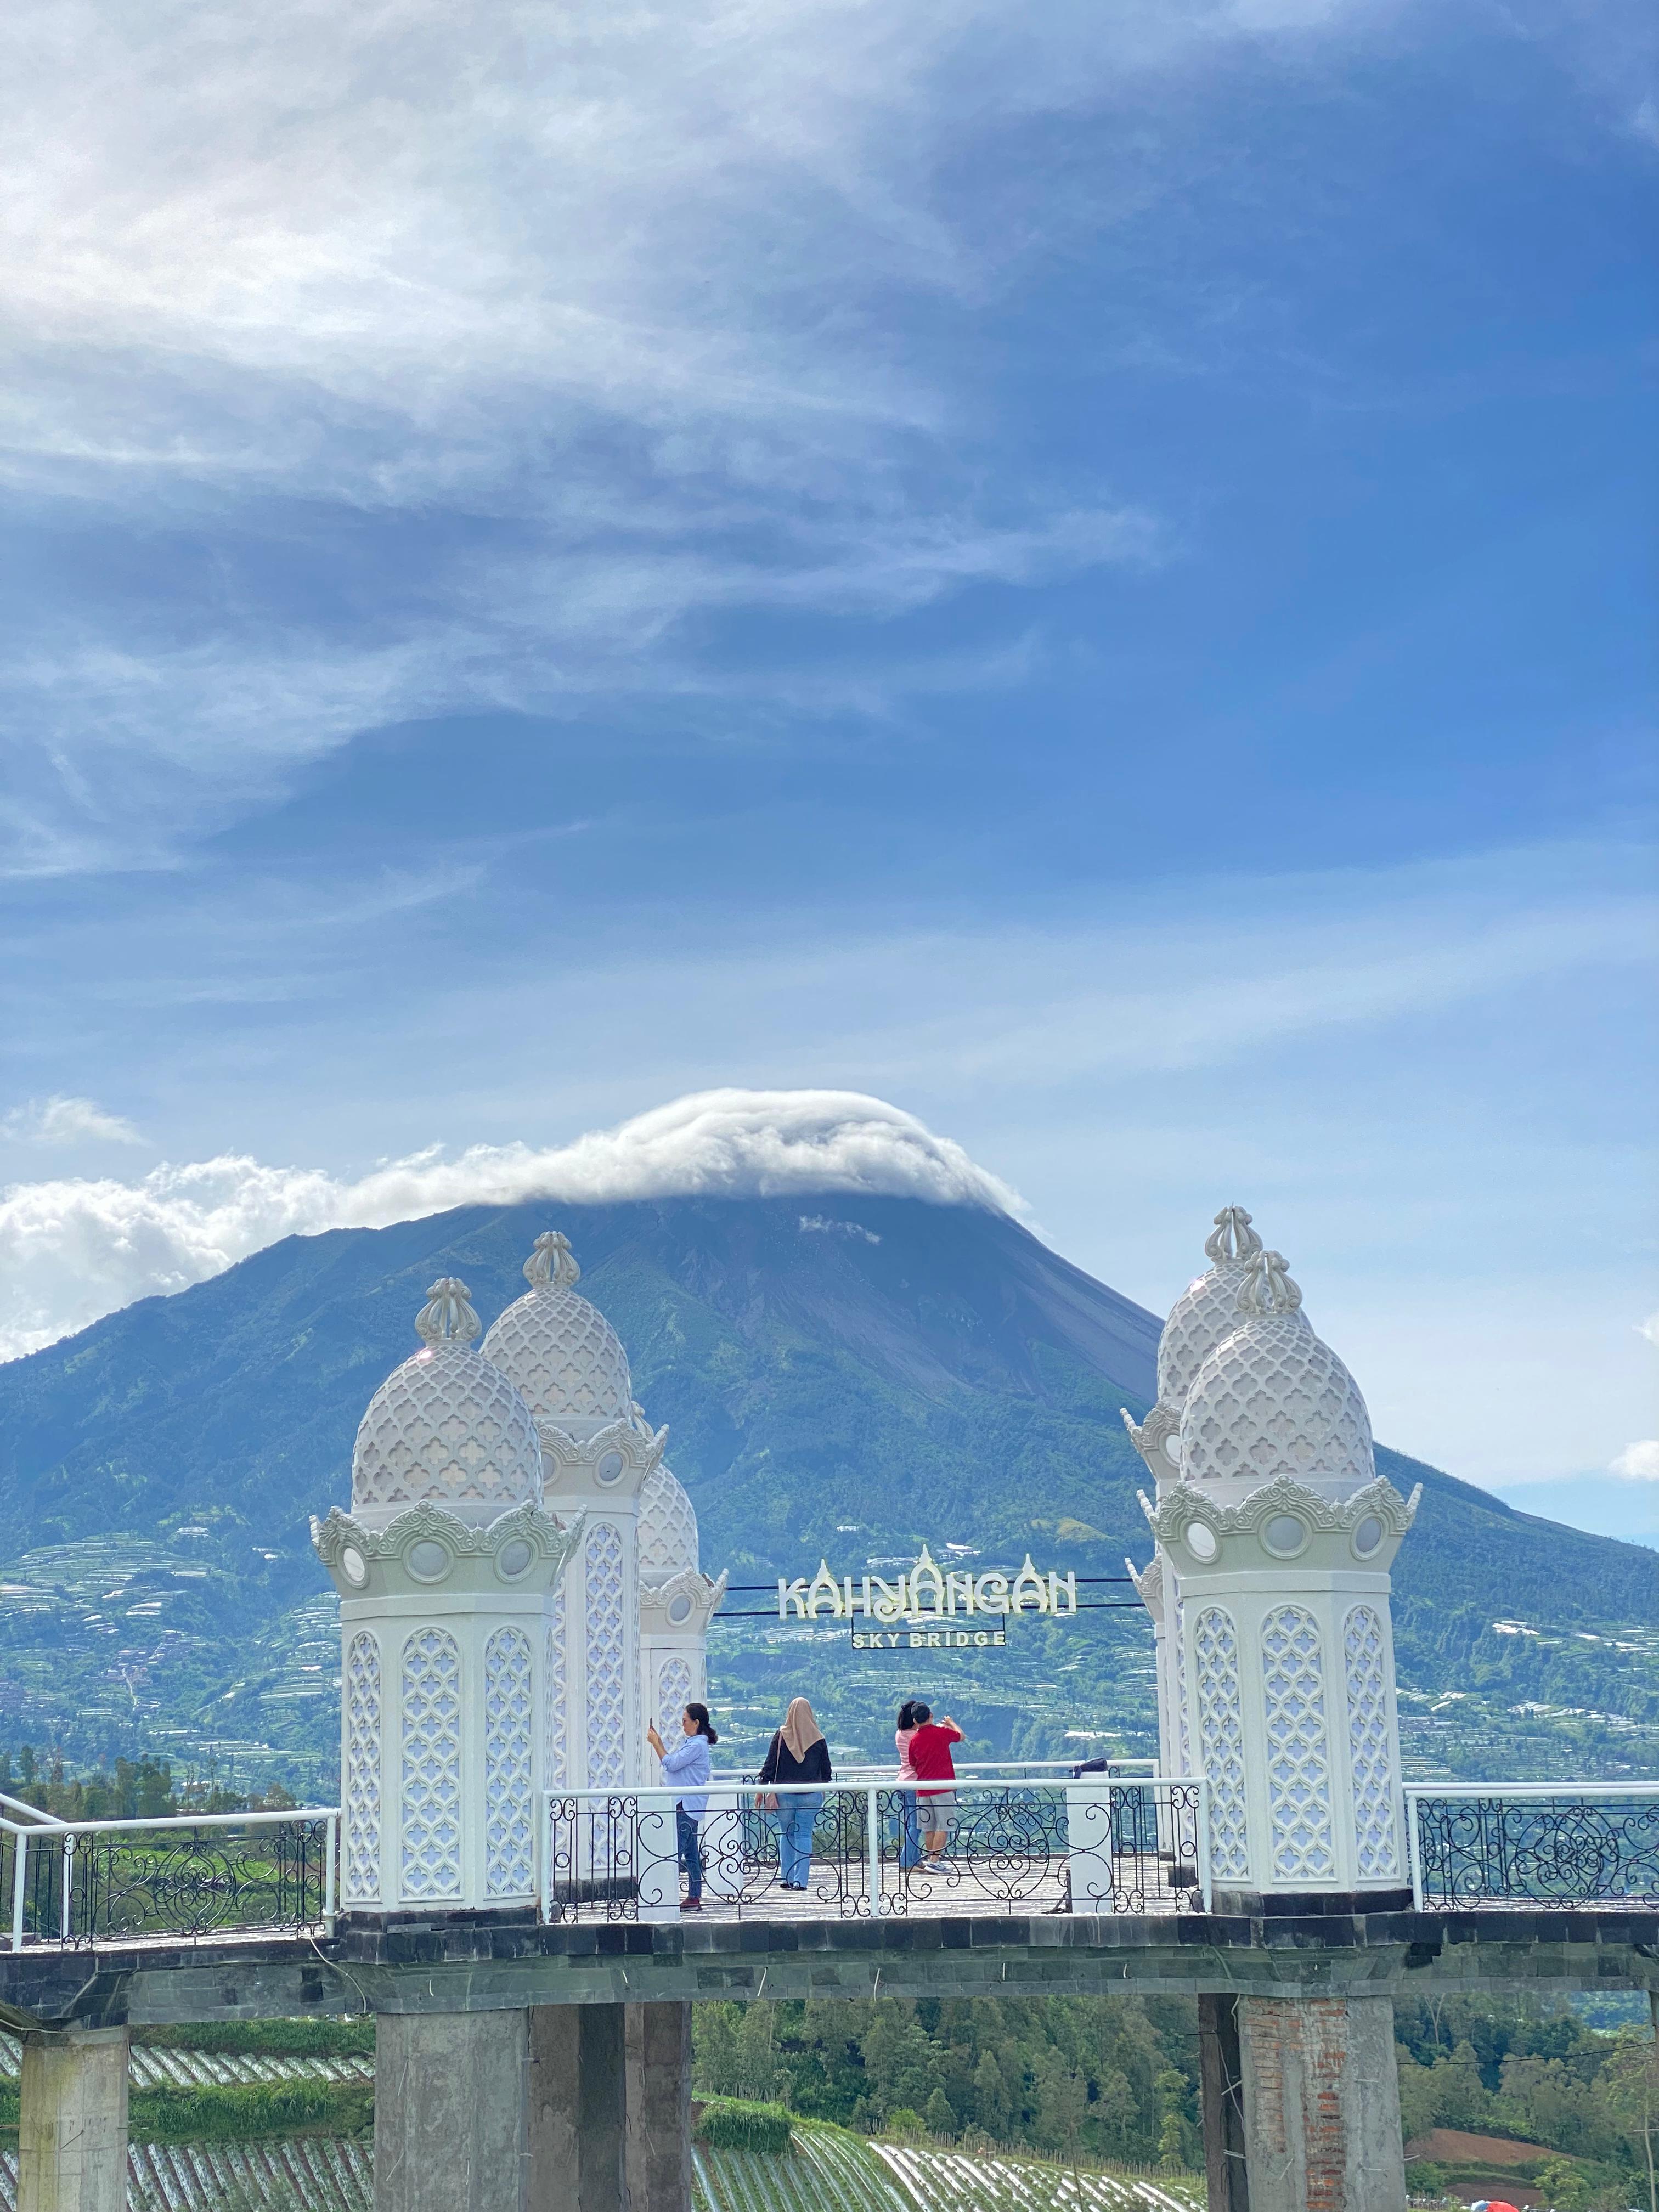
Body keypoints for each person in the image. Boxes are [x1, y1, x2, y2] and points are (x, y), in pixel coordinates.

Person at [646, 1702, 718, 1911]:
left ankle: (664, 1894)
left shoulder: (696, 1746)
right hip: (688, 1804)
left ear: (696, 1723)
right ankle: (694, 1896)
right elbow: (674, 1762)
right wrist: (659, 1743)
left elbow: (671, 1764)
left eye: (686, 1721)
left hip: (686, 1805)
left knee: (674, 1851)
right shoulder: (694, 1744)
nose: (683, 1725)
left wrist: (656, 1744)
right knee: (691, 1854)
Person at [757, 1697, 832, 1891]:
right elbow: (827, 1772)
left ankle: (786, 1878)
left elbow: (770, 1766)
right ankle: (801, 1881)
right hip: (811, 1795)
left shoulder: (781, 1736)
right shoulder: (818, 1738)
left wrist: (761, 1787)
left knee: (787, 1833)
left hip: (784, 1794)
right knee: (804, 1835)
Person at [906, 1702, 963, 1865]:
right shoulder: (942, 1733)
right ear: (931, 1715)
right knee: (944, 1825)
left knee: (928, 1827)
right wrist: (951, 1723)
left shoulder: (914, 1740)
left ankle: (931, 1860)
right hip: (943, 1787)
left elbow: (912, 1764)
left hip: (923, 1788)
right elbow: (961, 1736)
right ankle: (935, 1861)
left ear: (916, 1721)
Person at [894, 1698, 923, 1869]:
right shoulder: (916, 1736)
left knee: (911, 1823)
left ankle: (914, 1858)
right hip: (914, 1783)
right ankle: (906, 1861)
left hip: (902, 1782)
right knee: (917, 1825)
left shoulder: (900, 1734)